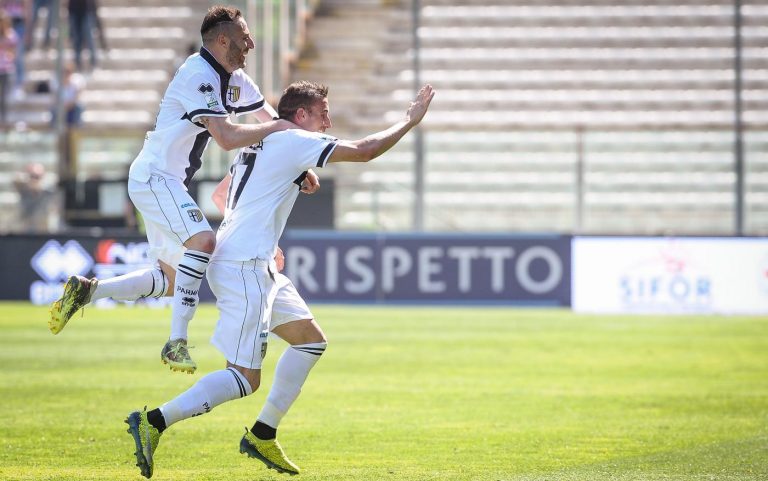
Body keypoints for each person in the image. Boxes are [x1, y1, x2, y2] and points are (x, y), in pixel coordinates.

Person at [124, 81, 434, 479]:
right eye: (323, 113)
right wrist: (409, 121)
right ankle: (154, 421)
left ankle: (263, 433)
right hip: (245, 267)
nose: (328, 122)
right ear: (301, 115)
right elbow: (365, 150)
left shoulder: (259, 143)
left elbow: (222, 197)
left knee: (310, 341)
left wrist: (267, 232)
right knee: (244, 378)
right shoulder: (293, 140)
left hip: (254, 260)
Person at [48, 5, 312, 375]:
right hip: (154, 176)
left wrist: (301, 166)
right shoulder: (197, 74)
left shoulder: (236, 79)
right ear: (223, 41)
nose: (251, 43)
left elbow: (274, 122)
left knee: (171, 280)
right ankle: (176, 342)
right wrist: (276, 130)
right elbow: (227, 137)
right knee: (203, 242)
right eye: (244, 37)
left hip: (168, 183)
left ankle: (89, 290)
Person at [13, 161, 56, 232]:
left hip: (43, 232)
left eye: (37, 177)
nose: (34, 180)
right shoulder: (23, 192)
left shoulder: (48, 194)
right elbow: (16, 180)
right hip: (25, 231)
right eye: (32, 176)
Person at [0, 9, 17, 126]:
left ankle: (4, 121)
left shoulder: (11, 35)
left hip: (6, 69)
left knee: (4, 97)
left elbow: (13, 53)